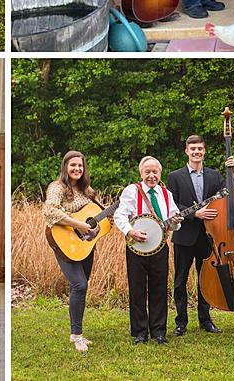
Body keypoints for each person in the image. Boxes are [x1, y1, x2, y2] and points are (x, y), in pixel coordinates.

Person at [164, 134, 234, 336]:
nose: (196, 152)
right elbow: (172, 205)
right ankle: (181, 322)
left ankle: (205, 320)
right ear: (187, 151)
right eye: (193, 149)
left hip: (208, 236)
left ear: (204, 151)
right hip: (184, 236)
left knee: (205, 279)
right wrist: (195, 213)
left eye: (200, 149)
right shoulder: (174, 176)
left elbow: (230, 194)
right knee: (180, 280)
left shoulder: (214, 176)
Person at [113, 155, 182, 345]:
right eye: (147, 172)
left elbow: (174, 223)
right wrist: (130, 231)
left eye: (155, 172)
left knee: (159, 289)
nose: (151, 175)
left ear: (160, 173)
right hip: (137, 248)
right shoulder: (131, 191)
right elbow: (120, 216)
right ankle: (140, 332)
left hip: (160, 247)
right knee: (137, 289)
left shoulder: (166, 194)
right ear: (141, 173)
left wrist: (176, 223)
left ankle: (159, 331)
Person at [42, 150, 100, 353]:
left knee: (81, 287)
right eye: (73, 165)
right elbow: (50, 211)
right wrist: (80, 225)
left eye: (80, 166)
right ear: (65, 167)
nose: (77, 169)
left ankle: (77, 331)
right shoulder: (57, 188)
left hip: (85, 243)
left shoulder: (87, 190)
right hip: (63, 241)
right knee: (79, 284)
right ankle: (76, 336)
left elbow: (96, 214)